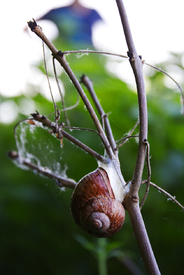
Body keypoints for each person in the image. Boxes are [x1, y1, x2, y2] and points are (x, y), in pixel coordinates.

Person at [36, 0, 102, 49]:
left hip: (89, 55)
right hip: (63, 53)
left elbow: (105, 32)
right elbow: (32, 25)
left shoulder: (93, 13)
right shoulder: (58, 12)